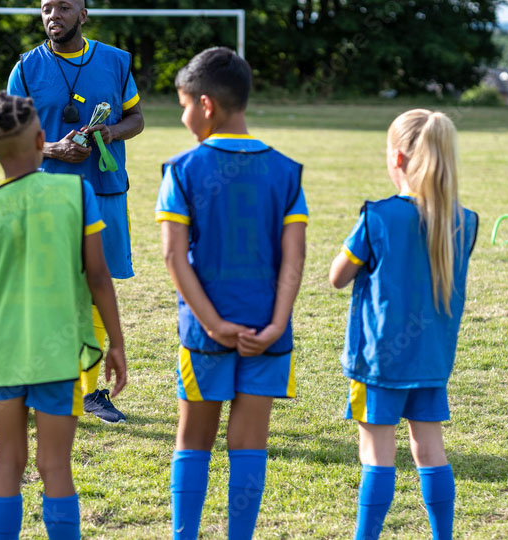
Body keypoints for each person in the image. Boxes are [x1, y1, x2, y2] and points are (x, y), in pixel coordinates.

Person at [0, 91, 128, 540]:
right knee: (55, 466)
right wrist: (117, 343)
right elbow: (99, 278)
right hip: (60, 354)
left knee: (7, 463)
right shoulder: (77, 192)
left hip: (4, 356)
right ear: (43, 139)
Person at [0, 0, 143, 427]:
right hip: (41, 195)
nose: (53, 16)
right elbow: (6, 132)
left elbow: (136, 118)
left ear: (83, 14)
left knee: (96, 293)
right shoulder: (25, 68)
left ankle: (92, 391)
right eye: (46, 8)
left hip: (104, 191)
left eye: (63, 7)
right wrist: (51, 148)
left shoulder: (116, 63)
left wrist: (111, 131)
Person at [157, 48, 308, 539]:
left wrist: (213, 325)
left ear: (204, 105)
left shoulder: (181, 170)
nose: (182, 117)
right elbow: (295, 258)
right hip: (268, 332)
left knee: (193, 443)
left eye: (182, 106)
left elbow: (173, 257)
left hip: (205, 335)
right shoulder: (286, 171)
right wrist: (277, 325)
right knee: (250, 446)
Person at [329, 109, 479, 540]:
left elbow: (337, 277)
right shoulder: (465, 222)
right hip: (431, 360)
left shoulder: (378, 217)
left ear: (397, 159)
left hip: (379, 362)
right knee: (430, 450)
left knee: (376, 454)